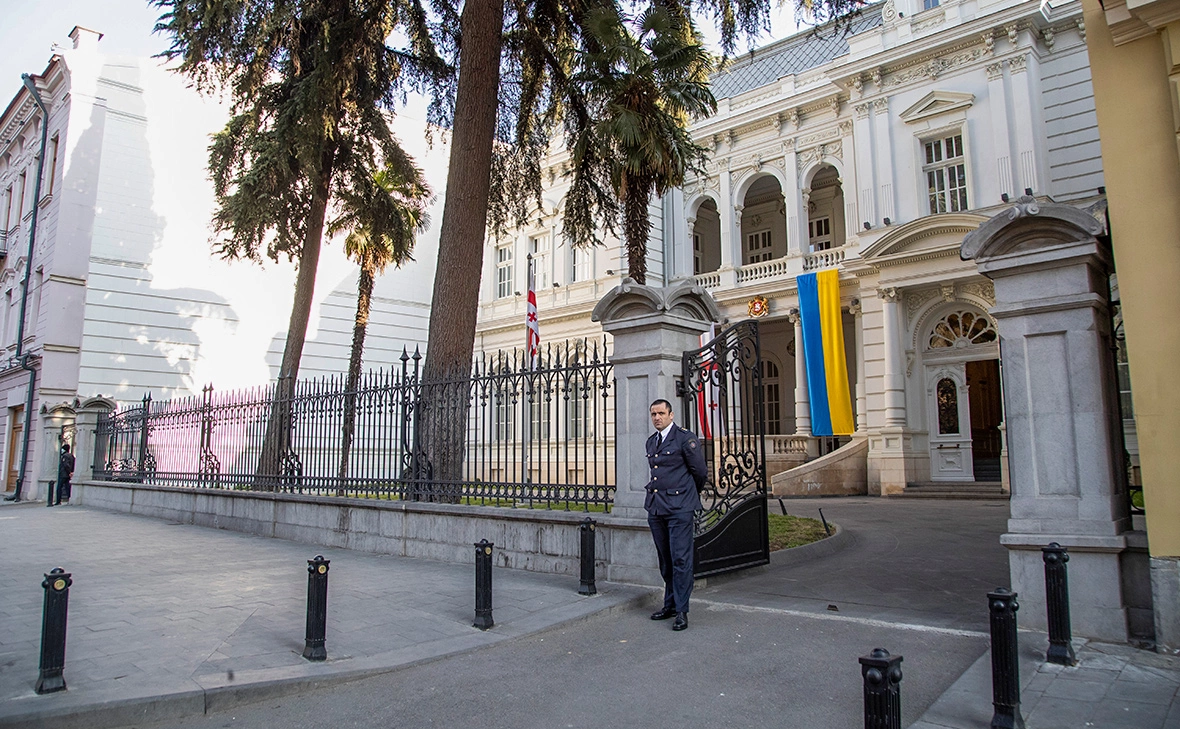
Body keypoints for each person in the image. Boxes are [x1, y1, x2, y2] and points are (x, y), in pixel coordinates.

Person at [644, 398, 707, 631]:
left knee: (681, 559)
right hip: (657, 507)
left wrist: (688, 496)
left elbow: (699, 472)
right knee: (666, 559)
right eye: (653, 414)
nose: (657, 418)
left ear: (671, 414)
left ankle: (682, 610)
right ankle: (669, 604)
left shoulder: (684, 438)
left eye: (661, 413)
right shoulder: (652, 442)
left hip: (680, 508)